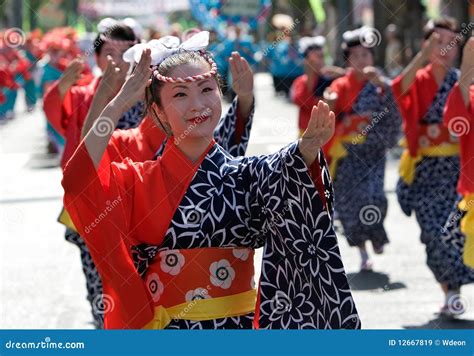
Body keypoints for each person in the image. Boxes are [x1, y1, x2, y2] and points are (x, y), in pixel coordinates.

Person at [62, 34, 360, 329]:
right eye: (180, 94)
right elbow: (79, 182)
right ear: (157, 112)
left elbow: (284, 174)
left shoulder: (247, 174)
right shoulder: (137, 180)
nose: (197, 104)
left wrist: (305, 151)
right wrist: (118, 102)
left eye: (206, 89)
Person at [391, 18, 462, 311]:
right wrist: (421, 57)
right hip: (426, 170)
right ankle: (448, 288)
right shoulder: (418, 80)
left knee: (456, 231)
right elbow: (398, 89)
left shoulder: (462, 80)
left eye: (449, 41)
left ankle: (452, 291)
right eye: (436, 40)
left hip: (458, 169)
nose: (443, 47)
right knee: (432, 233)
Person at [323, 27, 401, 271]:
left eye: (365, 55)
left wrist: (384, 87)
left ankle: (376, 236)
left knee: (376, 197)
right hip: (348, 154)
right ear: (348, 61)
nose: (361, 60)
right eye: (355, 56)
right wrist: (331, 103)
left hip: (373, 153)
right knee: (350, 203)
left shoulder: (380, 84)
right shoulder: (340, 85)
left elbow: (395, 108)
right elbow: (329, 106)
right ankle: (363, 251)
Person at [426, 37, 474, 317]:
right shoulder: (468, 93)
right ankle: (452, 289)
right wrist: (467, 62)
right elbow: (459, 112)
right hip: (467, 191)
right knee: (452, 238)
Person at [291, 35, 345, 136]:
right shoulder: (300, 82)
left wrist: (340, 72)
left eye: (321, 57)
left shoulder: (331, 78)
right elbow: (301, 101)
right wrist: (311, 74)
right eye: (313, 59)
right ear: (306, 61)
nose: (318, 62)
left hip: (329, 133)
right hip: (306, 133)